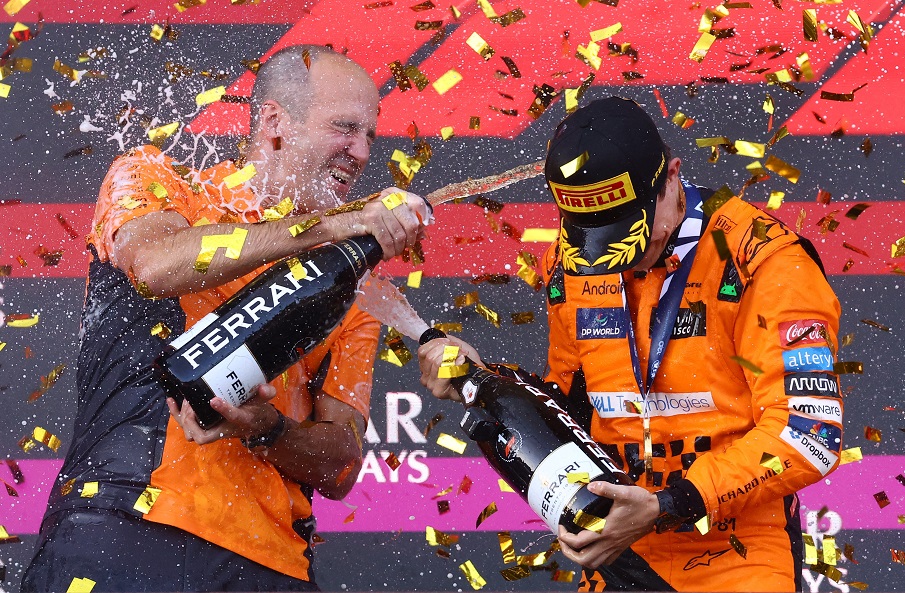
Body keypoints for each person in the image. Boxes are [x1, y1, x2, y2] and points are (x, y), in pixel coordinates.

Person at [22, 44, 430, 592]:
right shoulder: (163, 181)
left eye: (369, 137)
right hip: (126, 524)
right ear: (274, 122)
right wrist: (327, 228)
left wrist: (268, 428)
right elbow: (152, 265)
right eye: (344, 128)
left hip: (273, 566)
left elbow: (342, 464)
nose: (359, 152)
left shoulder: (352, 281)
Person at [418, 97, 843, 592]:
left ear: (672, 178)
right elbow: (570, 408)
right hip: (618, 549)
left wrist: (668, 505)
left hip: (738, 555)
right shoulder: (570, 261)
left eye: (633, 234)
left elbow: (810, 436)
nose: (617, 258)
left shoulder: (762, 260)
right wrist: (480, 380)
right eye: (595, 238)